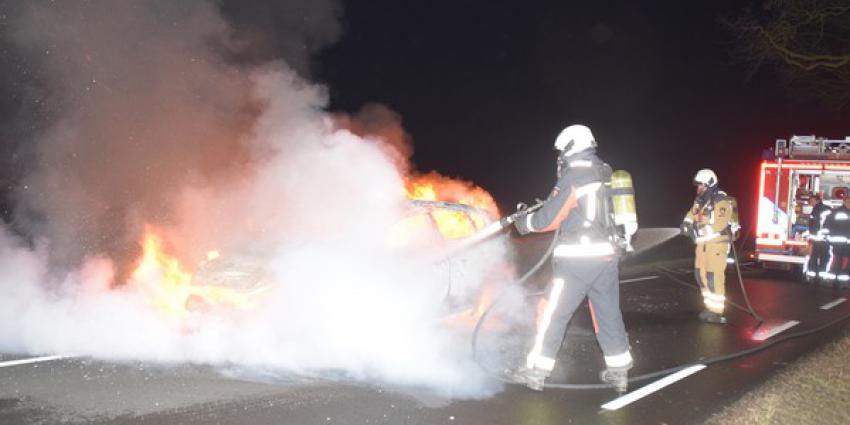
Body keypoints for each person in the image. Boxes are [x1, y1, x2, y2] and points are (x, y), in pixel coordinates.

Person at [506, 124, 633, 393]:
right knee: (607, 312)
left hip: (578, 260)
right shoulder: (606, 173)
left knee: (553, 313)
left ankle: (536, 370)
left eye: (561, 151)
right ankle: (619, 372)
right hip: (607, 257)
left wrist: (523, 223)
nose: (559, 157)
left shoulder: (574, 176)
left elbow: (547, 220)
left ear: (571, 147)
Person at [680, 169, 737, 324]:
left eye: (701, 185)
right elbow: (692, 213)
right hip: (703, 245)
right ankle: (709, 307)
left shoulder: (721, 201)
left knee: (714, 278)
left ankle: (717, 312)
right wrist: (686, 223)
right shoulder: (700, 200)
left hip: (716, 245)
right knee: (701, 276)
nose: (698, 188)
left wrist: (696, 231)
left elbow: (719, 224)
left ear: (710, 184)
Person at [821, 194, 850, 288]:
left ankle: (843, 281)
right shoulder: (836, 212)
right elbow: (827, 225)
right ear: (844, 202)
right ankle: (832, 279)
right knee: (836, 260)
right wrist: (827, 237)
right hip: (837, 242)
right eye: (848, 201)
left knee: (845, 261)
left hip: (847, 243)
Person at [804, 193, 832, 282]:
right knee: (822, 257)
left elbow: (819, 225)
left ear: (817, 200)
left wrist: (814, 235)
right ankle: (819, 275)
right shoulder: (821, 208)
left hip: (820, 239)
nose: (810, 202)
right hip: (822, 239)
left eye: (812, 201)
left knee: (816, 257)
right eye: (810, 201)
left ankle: (815, 275)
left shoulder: (818, 209)